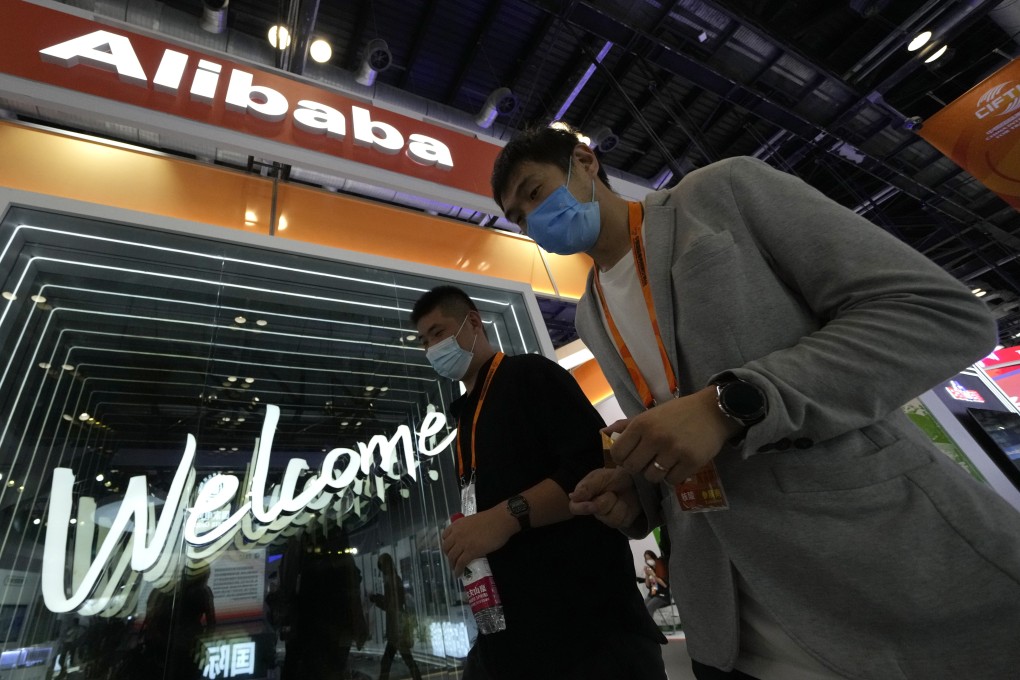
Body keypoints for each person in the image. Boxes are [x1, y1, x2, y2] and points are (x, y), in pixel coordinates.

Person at [490, 123, 1020, 680]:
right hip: (728, 629)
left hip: (885, 575)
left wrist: (729, 404)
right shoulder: (589, 313)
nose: (532, 218)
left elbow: (940, 314)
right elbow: (677, 428)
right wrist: (639, 487)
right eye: (518, 217)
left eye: (533, 191)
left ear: (584, 162)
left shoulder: (721, 193)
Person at [411, 285, 666, 680]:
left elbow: (591, 471)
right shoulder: (463, 419)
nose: (432, 348)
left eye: (439, 332)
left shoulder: (529, 375)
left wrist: (503, 518)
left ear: (473, 323)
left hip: (589, 632)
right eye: (424, 341)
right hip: (515, 639)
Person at [370, 553, 423, 680]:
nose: (382, 569)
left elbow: (391, 605)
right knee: (401, 660)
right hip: (396, 626)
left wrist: (376, 599)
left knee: (392, 661)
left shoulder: (392, 580)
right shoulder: (394, 579)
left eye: (382, 565)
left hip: (397, 627)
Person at [642, 550, 670, 617]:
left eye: (649, 558)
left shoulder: (661, 567)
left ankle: (649, 626)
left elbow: (665, 585)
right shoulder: (650, 569)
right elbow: (648, 586)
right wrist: (647, 574)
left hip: (663, 595)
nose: (648, 560)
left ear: (654, 558)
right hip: (654, 594)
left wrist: (654, 575)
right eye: (646, 559)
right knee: (641, 608)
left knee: (649, 608)